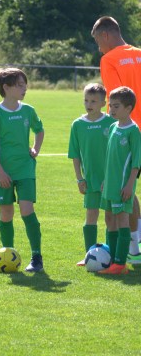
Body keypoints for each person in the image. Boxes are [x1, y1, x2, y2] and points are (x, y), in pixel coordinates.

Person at [91, 16, 141, 261]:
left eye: (98, 42)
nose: (99, 49)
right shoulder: (139, 54)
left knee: (124, 189)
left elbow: (116, 101)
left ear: (105, 35)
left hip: (130, 132)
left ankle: (133, 248)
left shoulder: (109, 59)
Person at [0, 67, 45, 272]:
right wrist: (0, 172)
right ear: (6, 88)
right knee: (6, 213)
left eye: (25, 85)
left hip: (25, 169)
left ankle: (36, 257)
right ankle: (7, 253)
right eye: (20, 85)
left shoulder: (28, 110)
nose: (24, 88)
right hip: (4, 172)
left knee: (27, 210)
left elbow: (39, 130)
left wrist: (36, 149)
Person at [68, 83, 115, 266]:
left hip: (109, 180)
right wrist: (79, 178)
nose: (89, 104)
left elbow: (116, 154)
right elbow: (75, 155)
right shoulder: (78, 125)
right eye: (86, 100)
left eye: (94, 101)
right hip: (90, 181)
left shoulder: (111, 123)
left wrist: (110, 179)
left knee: (110, 217)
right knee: (91, 216)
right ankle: (89, 254)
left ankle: (112, 256)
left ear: (104, 103)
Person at [98, 87, 141, 274]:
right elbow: (109, 158)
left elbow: (136, 162)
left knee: (122, 220)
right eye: (110, 105)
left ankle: (120, 264)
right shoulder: (113, 127)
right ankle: (112, 258)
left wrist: (130, 185)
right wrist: (105, 180)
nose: (111, 109)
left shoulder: (133, 131)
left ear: (128, 108)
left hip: (123, 186)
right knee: (109, 219)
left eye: (116, 106)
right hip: (110, 184)